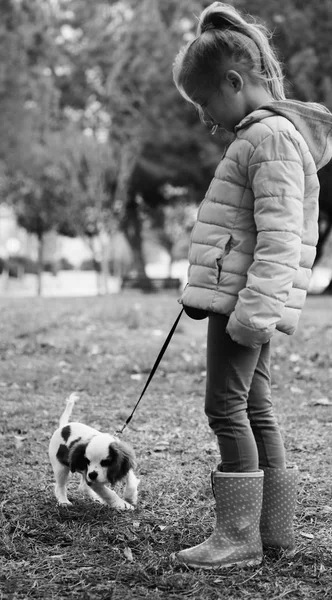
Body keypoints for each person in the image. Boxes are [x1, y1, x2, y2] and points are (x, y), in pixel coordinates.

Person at [172, 1, 332, 569]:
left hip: (247, 305)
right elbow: (242, 231)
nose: (205, 119)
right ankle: (273, 531)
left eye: (206, 102)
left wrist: (251, 311)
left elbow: (280, 236)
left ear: (235, 82)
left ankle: (238, 538)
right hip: (242, 297)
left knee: (225, 407)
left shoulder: (268, 140)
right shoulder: (265, 137)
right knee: (255, 406)